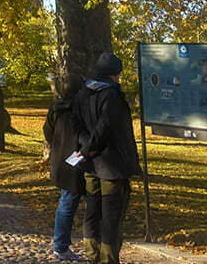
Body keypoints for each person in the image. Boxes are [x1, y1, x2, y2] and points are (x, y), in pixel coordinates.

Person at [73, 52, 142, 264]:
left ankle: (92, 255)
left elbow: (76, 126)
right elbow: (106, 128)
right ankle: (108, 259)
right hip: (111, 164)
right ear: (114, 74)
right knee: (111, 215)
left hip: (90, 164)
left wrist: (86, 148)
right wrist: (93, 147)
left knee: (92, 211)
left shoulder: (82, 93)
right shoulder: (111, 95)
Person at [44, 75, 87, 262]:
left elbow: (47, 132)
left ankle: (61, 246)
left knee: (67, 202)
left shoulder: (56, 108)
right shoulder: (85, 109)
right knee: (88, 202)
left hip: (62, 160)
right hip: (82, 159)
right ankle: (92, 243)